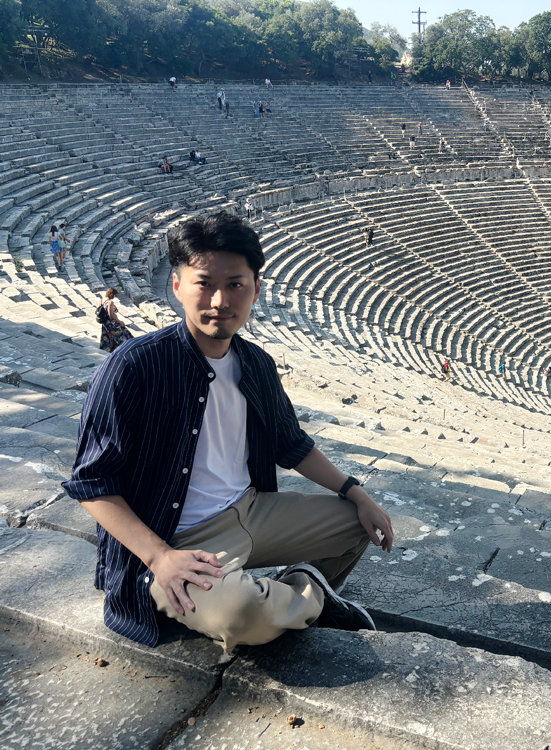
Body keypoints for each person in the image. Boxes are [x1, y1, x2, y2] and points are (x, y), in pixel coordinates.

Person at [65, 212, 393, 652]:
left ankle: (297, 589)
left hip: (250, 510)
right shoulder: (134, 366)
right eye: (204, 283)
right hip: (174, 539)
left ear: (255, 290)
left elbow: (290, 444)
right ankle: (303, 598)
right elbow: (92, 482)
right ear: (177, 285)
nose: (220, 300)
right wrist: (159, 556)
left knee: (359, 525)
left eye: (235, 284)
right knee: (241, 618)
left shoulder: (255, 363)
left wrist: (358, 494)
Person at [98, 288, 134, 353]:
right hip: (111, 323)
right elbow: (111, 314)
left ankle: (109, 349)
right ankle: (126, 347)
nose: (114, 297)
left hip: (105, 323)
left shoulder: (102, 300)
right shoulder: (110, 302)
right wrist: (119, 321)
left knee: (108, 337)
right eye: (114, 295)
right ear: (111, 294)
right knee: (122, 333)